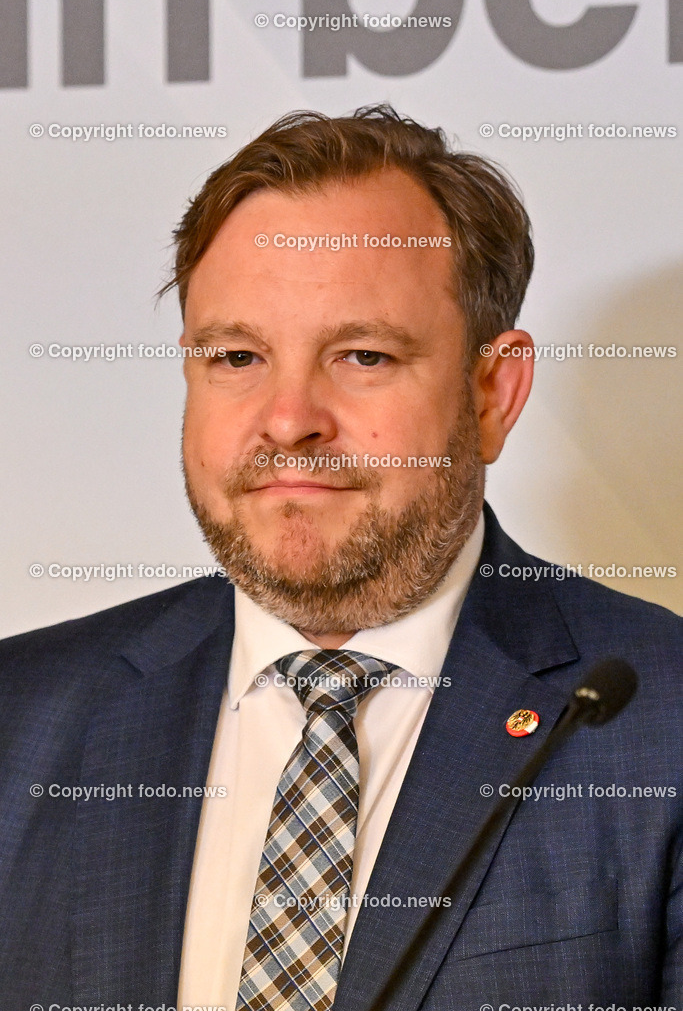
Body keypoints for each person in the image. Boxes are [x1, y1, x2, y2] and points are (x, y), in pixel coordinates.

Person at [0, 105, 680, 1011]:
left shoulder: (660, 726)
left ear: (492, 391)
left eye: (362, 356)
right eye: (237, 357)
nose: (288, 420)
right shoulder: (20, 721)